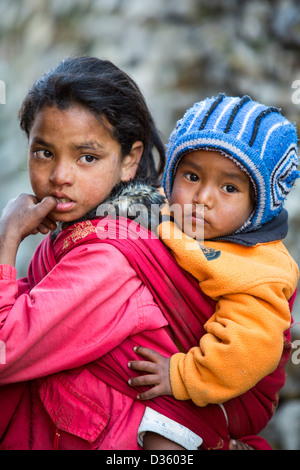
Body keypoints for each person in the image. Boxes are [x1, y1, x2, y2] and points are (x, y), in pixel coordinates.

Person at [0, 56, 264, 451]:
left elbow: (6, 351)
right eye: (44, 152)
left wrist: (6, 239)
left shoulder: (108, 257)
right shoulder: (132, 222)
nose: (60, 176)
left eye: (87, 157)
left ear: (129, 161)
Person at [128, 94, 299, 447]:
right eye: (191, 175)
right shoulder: (174, 212)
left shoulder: (258, 269)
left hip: (233, 390)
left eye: (229, 188)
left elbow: (249, 349)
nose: (203, 196)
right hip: (205, 366)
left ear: (258, 205)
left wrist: (181, 375)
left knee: (164, 436)